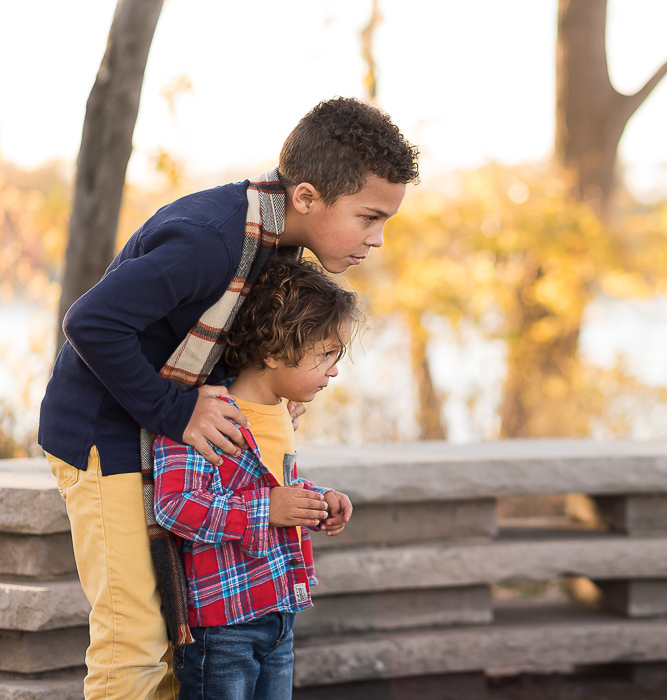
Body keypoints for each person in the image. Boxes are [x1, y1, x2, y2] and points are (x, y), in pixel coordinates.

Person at [38, 96, 418, 700]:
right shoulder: (211, 238)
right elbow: (91, 322)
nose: (376, 240)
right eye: (369, 217)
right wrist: (178, 410)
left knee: (174, 637)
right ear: (307, 198)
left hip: (165, 442)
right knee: (132, 642)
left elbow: (214, 336)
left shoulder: (273, 241)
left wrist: (269, 391)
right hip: (104, 436)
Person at [153, 256, 358, 700]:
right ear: (272, 351)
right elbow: (175, 506)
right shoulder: (207, 415)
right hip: (225, 626)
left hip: (280, 610)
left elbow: (270, 489)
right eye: (325, 355)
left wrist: (317, 500)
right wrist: (271, 510)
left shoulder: (283, 415)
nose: (335, 369)